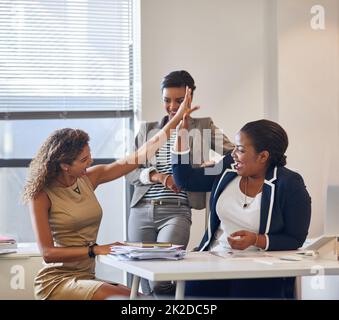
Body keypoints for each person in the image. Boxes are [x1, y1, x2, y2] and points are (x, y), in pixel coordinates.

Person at [22, 87, 197, 300]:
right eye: (84, 160)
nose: (91, 162)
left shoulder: (88, 179)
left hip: (86, 276)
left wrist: (177, 119)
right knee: (129, 300)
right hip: (56, 281)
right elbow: (48, 253)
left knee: (143, 298)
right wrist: (96, 249)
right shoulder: (41, 194)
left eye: (90, 156)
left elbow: (140, 155)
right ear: (65, 165)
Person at [172, 119, 311, 299]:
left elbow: (295, 238)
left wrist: (256, 240)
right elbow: (186, 179)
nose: (234, 154)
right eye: (235, 148)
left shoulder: (290, 184)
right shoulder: (228, 169)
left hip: (259, 269)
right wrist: (181, 134)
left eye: (241, 150)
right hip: (213, 261)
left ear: (263, 156)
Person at [126, 70, 234, 295]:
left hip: (177, 211)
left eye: (178, 100)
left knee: (162, 278)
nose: (172, 106)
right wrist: (158, 176)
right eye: (167, 100)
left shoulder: (203, 126)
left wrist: (209, 166)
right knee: (144, 280)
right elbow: (130, 171)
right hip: (141, 209)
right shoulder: (148, 130)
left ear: (190, 97)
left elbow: (234, 155)